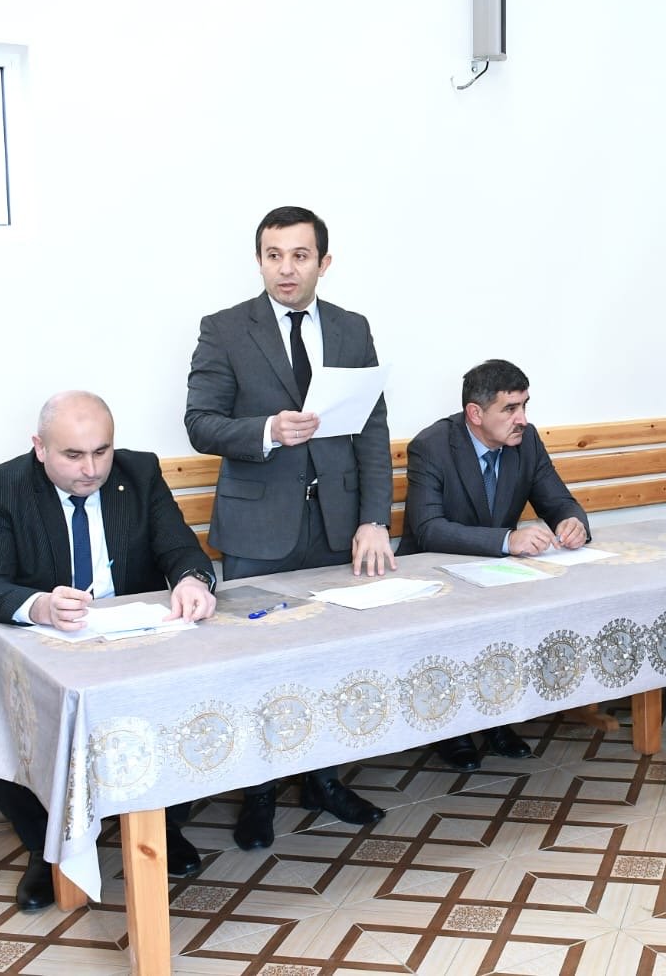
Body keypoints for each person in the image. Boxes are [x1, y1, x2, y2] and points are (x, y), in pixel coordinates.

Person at [0, 391, 218, 911]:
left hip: (128, 643)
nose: (92, 469)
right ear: (40, 448)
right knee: (18, 721)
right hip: (42, 646)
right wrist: (38, 605)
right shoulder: (3, 487)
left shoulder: (139, 473)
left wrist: (192, 579)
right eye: (73, 455)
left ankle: (162, 823)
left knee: (186, 700)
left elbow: (180, 549)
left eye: (102, 451)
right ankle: (46, 847)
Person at [185, 205, 392, 850]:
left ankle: (325, 780)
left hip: (335, 527)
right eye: (273, 255)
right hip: (257, 529)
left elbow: (373, 430)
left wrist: (374, 519)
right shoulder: (224, 329)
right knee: (256, 664)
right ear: (259, 260)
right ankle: (258, 795)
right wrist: (267, 430)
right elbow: (200, 422)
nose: (285, 268)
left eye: (300, 255)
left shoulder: (353, 329)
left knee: (331, 658)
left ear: (323, 263)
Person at [400, 359, 591, 771]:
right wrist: (507, 540)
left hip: (496, 575)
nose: (522, 419)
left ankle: (496, 720)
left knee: (510, 624)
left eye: (524, 406)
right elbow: (429, 529)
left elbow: (558, 500)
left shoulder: (527, 440)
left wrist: (572, 522)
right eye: (510, 409)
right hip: (435, 574)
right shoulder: (432, 445)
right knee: (458, 634)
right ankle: (451, 731)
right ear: (475, 413)